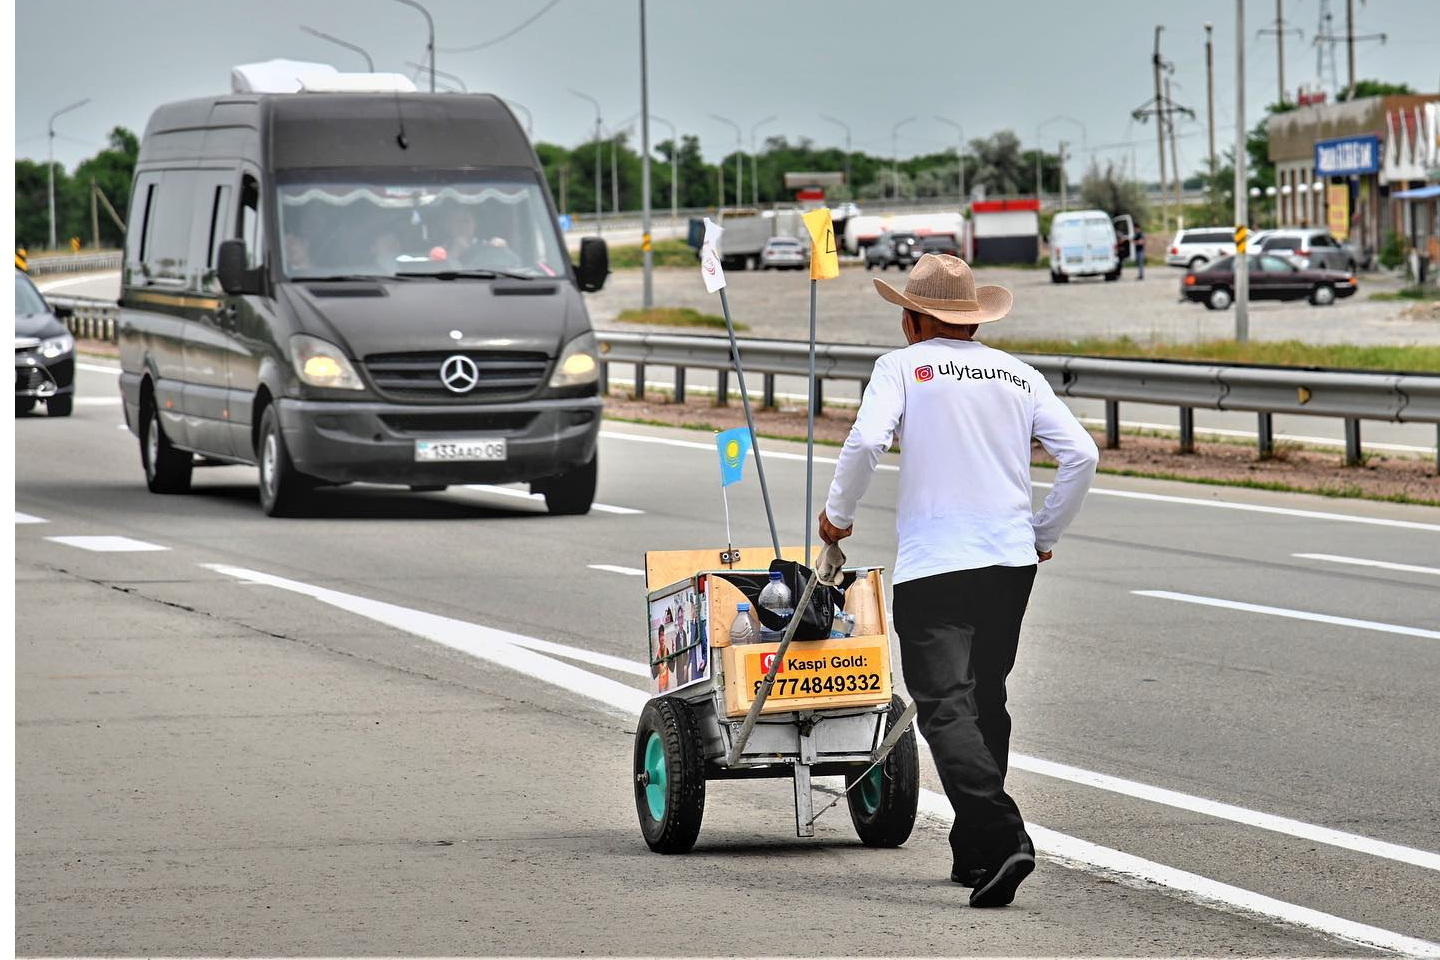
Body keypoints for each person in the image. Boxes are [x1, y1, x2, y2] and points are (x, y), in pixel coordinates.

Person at [817, 254, 1098, 908]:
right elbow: (1080, 454)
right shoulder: (1017, 374)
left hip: (936, 564)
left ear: (914, 320)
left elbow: (864, 445)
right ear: (972, 319)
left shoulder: (903, 368)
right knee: (985, 700)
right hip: (1009, 564)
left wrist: (837, 518)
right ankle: (975, 855)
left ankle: (1002, 836)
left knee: (944, 706)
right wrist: (1043, 535)